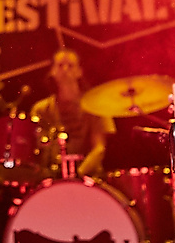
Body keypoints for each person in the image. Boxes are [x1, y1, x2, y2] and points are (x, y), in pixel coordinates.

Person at [29, 48, 115, 180]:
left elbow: (99, 149)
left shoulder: (94, 105)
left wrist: (77, 176)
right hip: (52, 180)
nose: (65, 69)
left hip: (89, 178)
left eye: (70, 65)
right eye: (60, 65)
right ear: (52, 71)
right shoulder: (41, 109)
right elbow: (37, 151)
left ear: (79, 72)